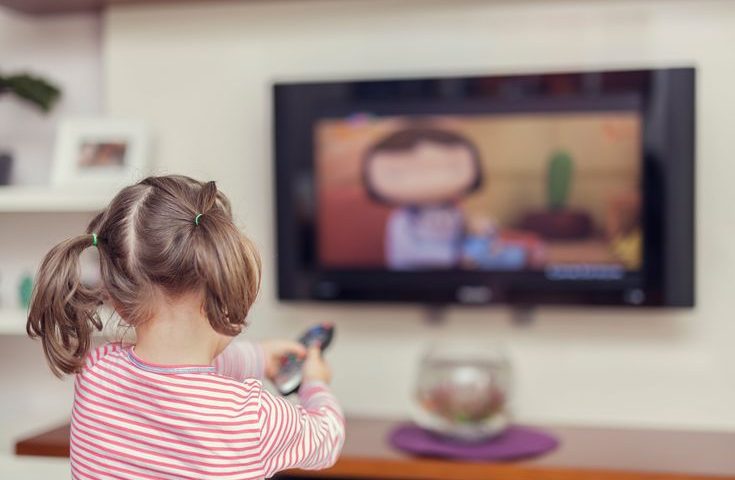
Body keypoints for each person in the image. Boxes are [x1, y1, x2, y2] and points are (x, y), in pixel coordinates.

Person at [27, 175, 344, 479]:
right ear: (228, 289)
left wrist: (260, 357)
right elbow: (327, 437)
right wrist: (315, 383)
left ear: (119, 302)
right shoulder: (255, 417)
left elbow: (178, 371)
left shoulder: (96, 372)